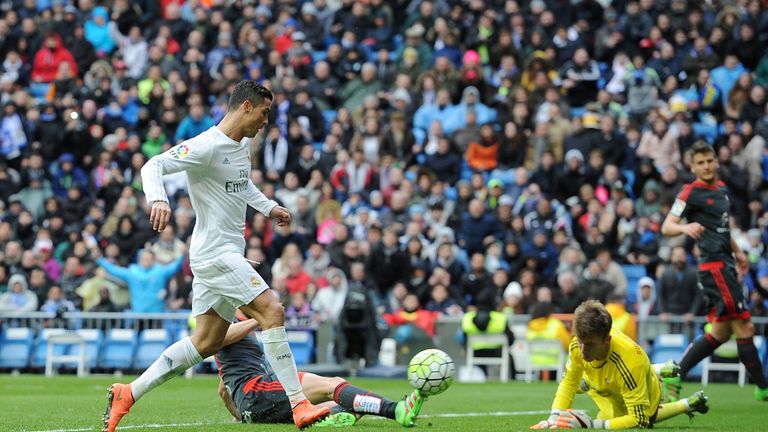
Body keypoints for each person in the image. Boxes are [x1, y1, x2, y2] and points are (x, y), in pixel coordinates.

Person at [102, 81, 330, 432]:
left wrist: (268, 207)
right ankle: (299, 403)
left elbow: (241, 184)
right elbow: (152, 165)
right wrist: (158, 198)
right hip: (215, 253)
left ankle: (128, 393)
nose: (266, 121)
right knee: (272, 310)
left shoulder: (241, 145)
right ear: (246, 107)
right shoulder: (206, 145)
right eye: (265, 112)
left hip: (223, 254)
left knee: (206, 341)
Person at [661, 141, 768, 402]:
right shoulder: (690, 192)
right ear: (692, 167)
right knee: (744, 325)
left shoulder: (721, 190)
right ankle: (763, 388)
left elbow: (722, 228)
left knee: (721, 332)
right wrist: (685, 228)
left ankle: (676, 373)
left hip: (725, 263)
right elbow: (667, 226)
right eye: (700, 163)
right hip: (714, 267)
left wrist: (738, 252)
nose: (706, 166)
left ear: (716, 161)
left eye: (709, 160)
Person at [530, 300, 709, 430]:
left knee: (640, 418)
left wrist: (591, 425)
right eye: (580, 341)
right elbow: (568, 383)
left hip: (641, 385)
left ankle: (657, 374)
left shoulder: (630, 361)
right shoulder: (579, 343)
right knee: (582, 387)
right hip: (603, 381)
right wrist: (554, 417)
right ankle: (680, 395)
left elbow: (639, 420)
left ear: (607, 340)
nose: (582, 350)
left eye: (590, 344)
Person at [216, 318, 425, 427]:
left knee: (351, 403)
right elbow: (219, 337)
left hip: (253, 405)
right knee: (333, 385)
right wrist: (260, 318)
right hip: (258, 390)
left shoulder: (232, 323)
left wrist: (244, 416)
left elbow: (223, 391)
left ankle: (331, 419)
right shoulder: (221, 320)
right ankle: (396, 410)